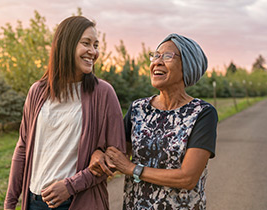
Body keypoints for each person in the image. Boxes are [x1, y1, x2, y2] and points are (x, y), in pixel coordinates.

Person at [4, 16, 126, 210]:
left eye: (95, 45)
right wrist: (10, 203)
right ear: (65, 45)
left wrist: (71, 186)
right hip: (35, 201)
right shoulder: (37, 91)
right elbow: (22, 148)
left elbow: (114, 156)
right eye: (86, 43)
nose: (93, 52)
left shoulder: (103, 93)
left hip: (77, 201)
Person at [90, 33, 218, 209]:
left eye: (167, 56)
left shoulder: (202, 113)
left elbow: (187, 178)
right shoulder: (138, 109)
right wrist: (98, 154)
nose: (157, 62)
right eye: (155, 55)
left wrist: (132, 169)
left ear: (187, 67)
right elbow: (115, 155)